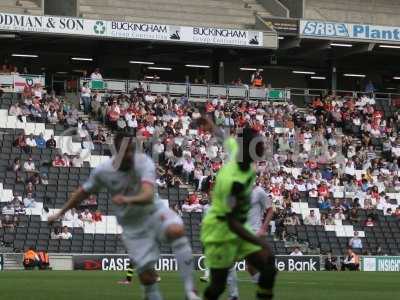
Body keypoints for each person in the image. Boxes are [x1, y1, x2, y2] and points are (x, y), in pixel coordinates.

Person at [48, 132, 200, 300]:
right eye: (125, 150)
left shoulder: (144, 163)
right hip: (132, 225)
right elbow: (82, 193)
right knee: (147, 277)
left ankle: (190, 291)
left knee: (176, 230)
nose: (129, 155)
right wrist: (60, 213)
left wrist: (127, 198)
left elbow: (148, 195)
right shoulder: (103, 171)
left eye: (131, 150)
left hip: (154, 212)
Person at [200, 119, 277, 300]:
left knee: (268, 266)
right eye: (260, 145)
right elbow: (231, 222)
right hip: (220, 231)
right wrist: (259, 239)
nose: (263, 149)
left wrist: (208, 123)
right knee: (217, 287)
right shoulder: (234, 182)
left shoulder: (239, 151)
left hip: (237, 226)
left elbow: (223, 136)